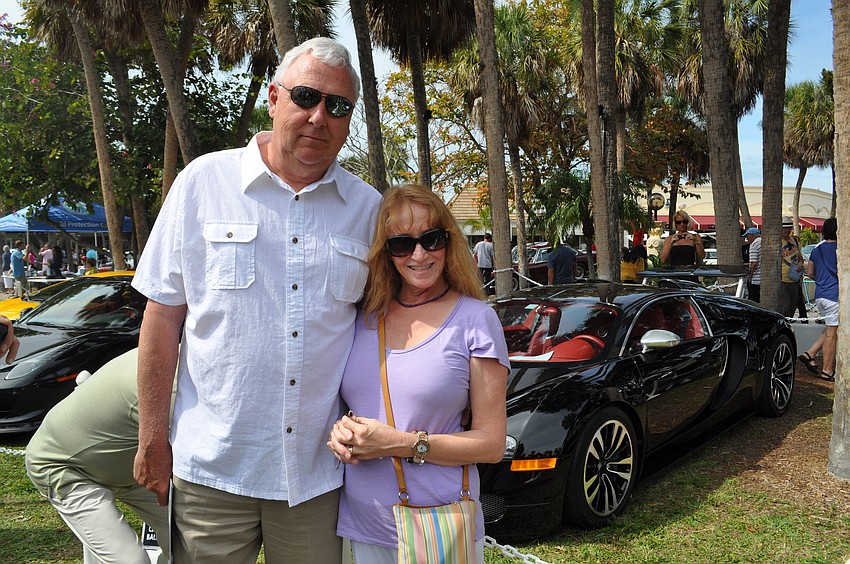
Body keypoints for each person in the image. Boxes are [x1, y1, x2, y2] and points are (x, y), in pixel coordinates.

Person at [131, 37, 382, 562]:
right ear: (274, 97)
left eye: (337, 106)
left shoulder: (367, 208)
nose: (319, 117)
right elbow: (161, 317)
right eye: (306, 96)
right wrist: (152, 435)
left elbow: (379, 331)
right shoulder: (203, 181)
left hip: (315, 475)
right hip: (213, 471)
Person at [328, 184, 509, 564]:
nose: (420, 254)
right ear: (384, 251)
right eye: (402, 244)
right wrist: (342, 431)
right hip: (364, 522)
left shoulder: (476, 320)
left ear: (449, 241)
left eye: (432, 238)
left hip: (441, 522)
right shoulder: (363, 318)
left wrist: (401, 443)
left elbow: (492, 444)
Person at [25, 349, 170, 564]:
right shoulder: (170, 384)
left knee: (190, 541)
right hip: (64, 466)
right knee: (130, 561)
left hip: (131, 463)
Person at [798, 217, 838, 381]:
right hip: (835, 295)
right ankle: (827, 370)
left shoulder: (817, 250)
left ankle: (810, 353)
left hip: (820, 295)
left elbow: (810, 273)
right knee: (832, 333)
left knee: (830, 329)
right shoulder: (840, 249)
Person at [780, 217, 804, 318]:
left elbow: (800, 257)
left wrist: (800, 264)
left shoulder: (794, 240)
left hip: (794, 279)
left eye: (789, 228)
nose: (787, 230)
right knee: (785, 306)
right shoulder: (777, 242)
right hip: (782, 279)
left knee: (793, 306)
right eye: (784, 228)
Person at [744, 227, 761, 302]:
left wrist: (750, 275)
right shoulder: (762, 242)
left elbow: (754, 263)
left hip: (756, 279)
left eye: (747, 237)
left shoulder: (754, 245)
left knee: (753, 300)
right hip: (763, 278)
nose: (747, 239)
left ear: (752, 235)